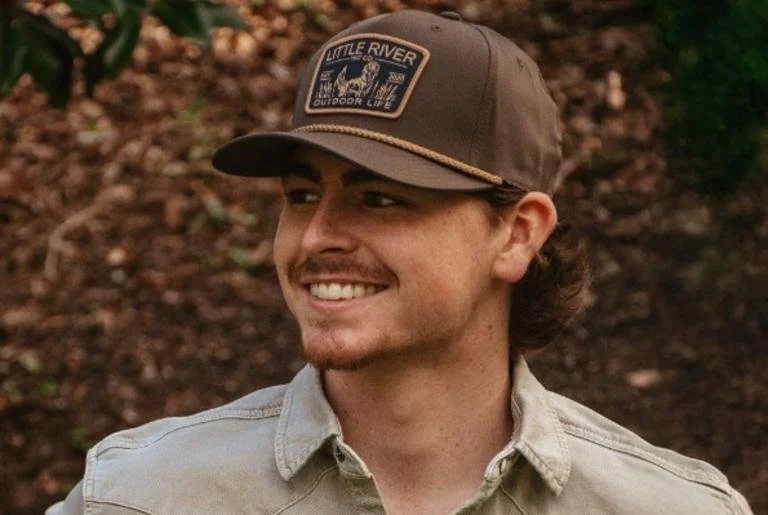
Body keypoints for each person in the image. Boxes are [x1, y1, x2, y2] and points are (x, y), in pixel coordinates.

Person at [48, 9, 752, 514]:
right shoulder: (139, 497)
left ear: (517, 234)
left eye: (380, 198)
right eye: (300, 193)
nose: (316, 234)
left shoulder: (672, 506)